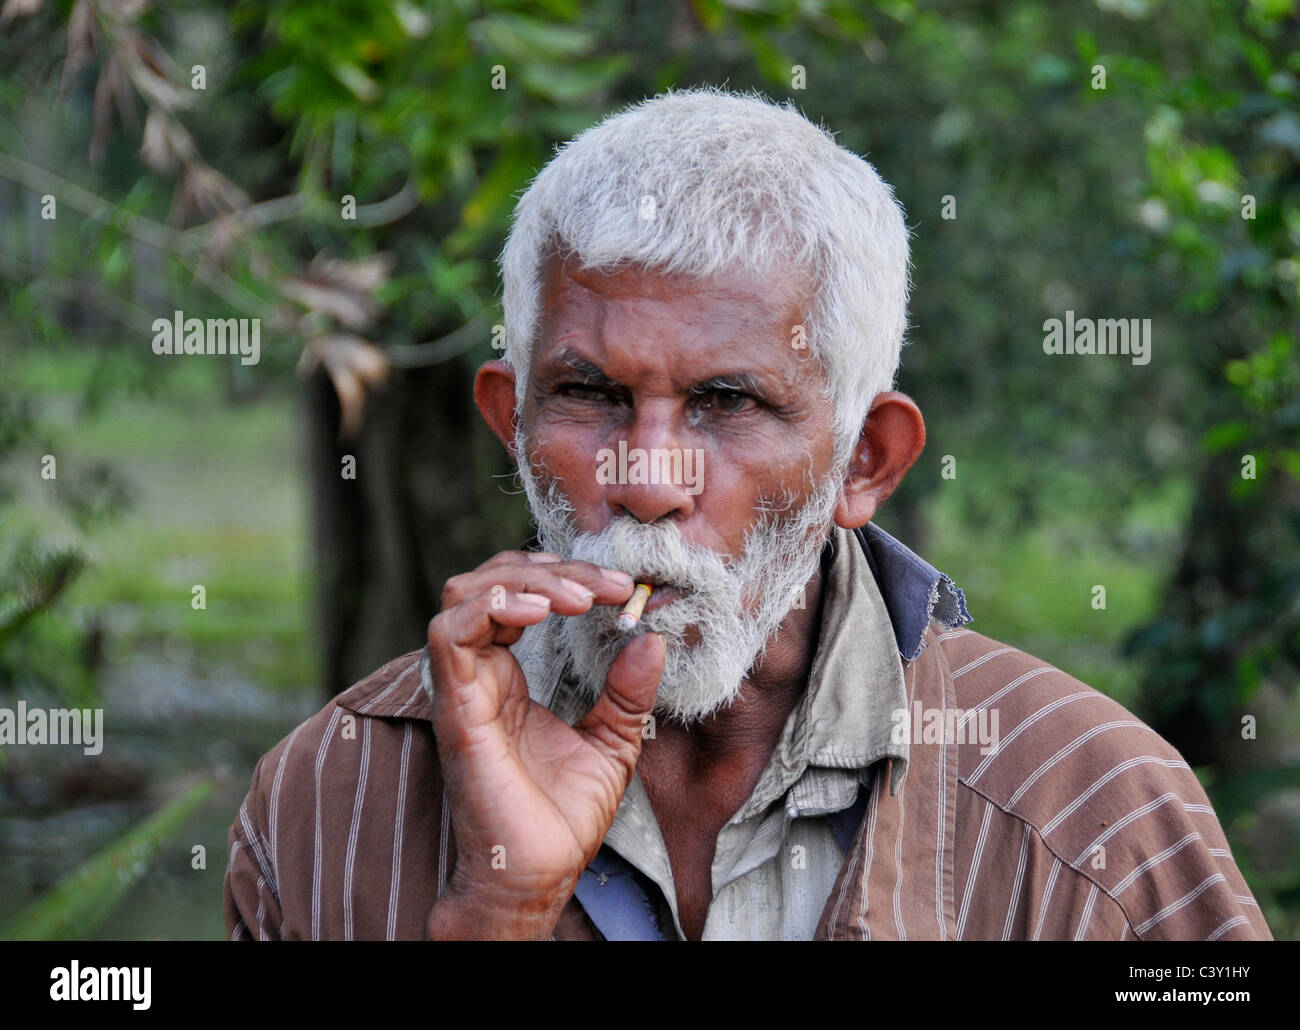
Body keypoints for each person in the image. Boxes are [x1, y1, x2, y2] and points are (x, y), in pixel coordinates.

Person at [223, 88, 1272, 941]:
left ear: (865, 461)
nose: (645, 478)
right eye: (589, 395)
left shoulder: (1091, 815)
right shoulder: (328, 798)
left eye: (727, 403)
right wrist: (498, 910)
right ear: (512, 423)